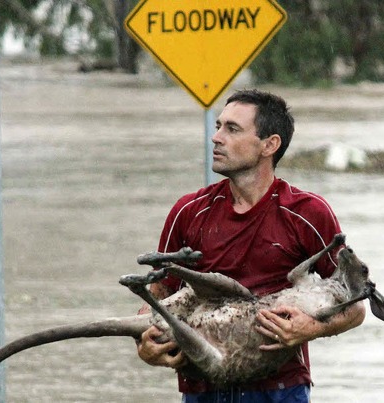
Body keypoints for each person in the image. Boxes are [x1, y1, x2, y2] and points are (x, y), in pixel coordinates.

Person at [136, 89, 366, 403]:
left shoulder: (307, 212)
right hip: (203, 387)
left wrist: (311, 328)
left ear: (269, 145)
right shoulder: (188, 212)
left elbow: (355, 307)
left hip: (279, 390)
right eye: (217, 126)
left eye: (232, 129)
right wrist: (145, 344)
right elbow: (159, 294)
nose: (216, 137)